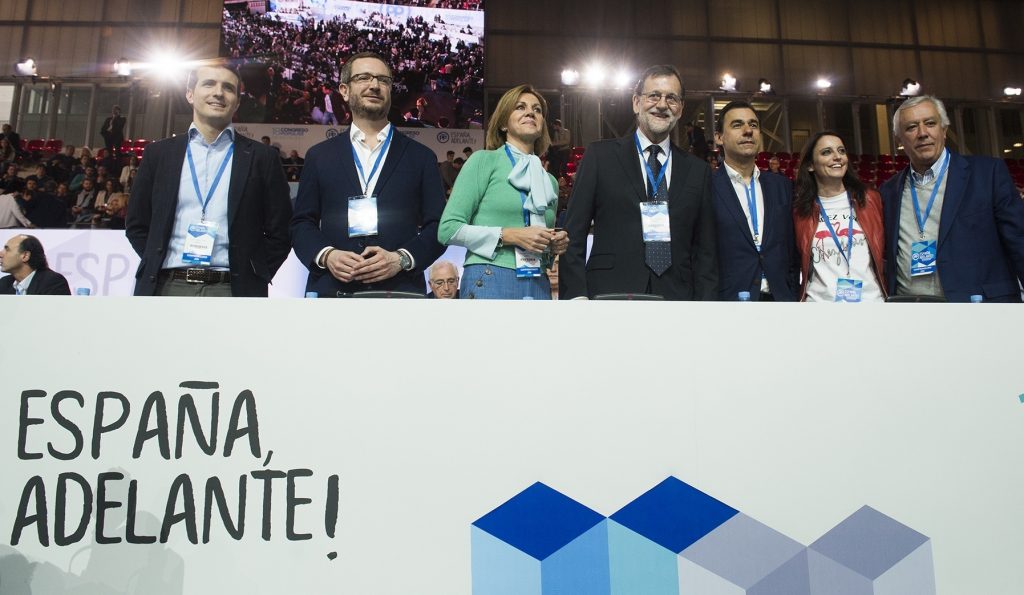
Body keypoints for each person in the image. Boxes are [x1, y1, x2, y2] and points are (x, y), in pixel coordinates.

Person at [126, 60, 293, 297]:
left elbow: (282, 230)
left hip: (234, 289)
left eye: (228, 88)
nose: (218, 93)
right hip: (166, 286)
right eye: (209, 84)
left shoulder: (263, 157)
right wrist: (155, 262)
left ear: (237, 102)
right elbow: (137, 224)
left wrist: (254, 272)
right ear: (190, 94)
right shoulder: (159, 154)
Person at [291, 51, 446, 297]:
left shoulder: (422, 157)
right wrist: (327, 255)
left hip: (399, 292)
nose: (374, 85)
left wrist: (402, 259)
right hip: (333, 291)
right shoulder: (319, 156)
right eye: (364, 77)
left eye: (383, 80)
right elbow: (302, 223)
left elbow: (439, 226)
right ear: (344, 90)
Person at [560, 64, 717, 300]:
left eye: (671, 98)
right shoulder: (600, 157)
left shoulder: (698, 171)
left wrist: (707, 306)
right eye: (654, 95)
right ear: (636, 102)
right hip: (609, 293)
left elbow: (705, 251)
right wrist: (576, 296)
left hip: (677, 298)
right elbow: (573, 235)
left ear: (681, 109)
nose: (662, 105)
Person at [881, 95, 1024, 302]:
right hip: (911, 309)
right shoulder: (888, 191)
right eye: (911, 127)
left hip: (979, 308)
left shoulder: (988, 174)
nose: (922, 133)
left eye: (930, 123)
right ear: (898, 140)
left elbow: (1019, 241)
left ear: (944, 130)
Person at [438, 85, 566, 300]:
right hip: (489, 275)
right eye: (520, 107)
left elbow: (538, 242)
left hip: (538, 280)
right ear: (503, 123)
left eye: (537, 110)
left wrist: (553, 245)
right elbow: (447, 230)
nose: (530, 113)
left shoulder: (550, 181)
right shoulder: (483, 161)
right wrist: (510, 235)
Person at [711, 100, 797, 301]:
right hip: (730, 301)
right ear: (719, 137)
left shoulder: (781, 186)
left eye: (753, 125)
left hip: (780, 300)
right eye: (737, 125)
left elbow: (791, 251)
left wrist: (791, 292)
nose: (748, 130)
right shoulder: (707, 187)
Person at [793, 131, 886, 302]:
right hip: (820, 306)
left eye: (841, 151)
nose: (837, 157)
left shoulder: (870, 200)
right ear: (810, 165)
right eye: (826, 152)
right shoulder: (800, 211)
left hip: (870, 303)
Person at [0, 234, 71, 294]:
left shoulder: (52, 282)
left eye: (7, 249)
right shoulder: (4, 283)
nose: (1, 254)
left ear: (25, 256)